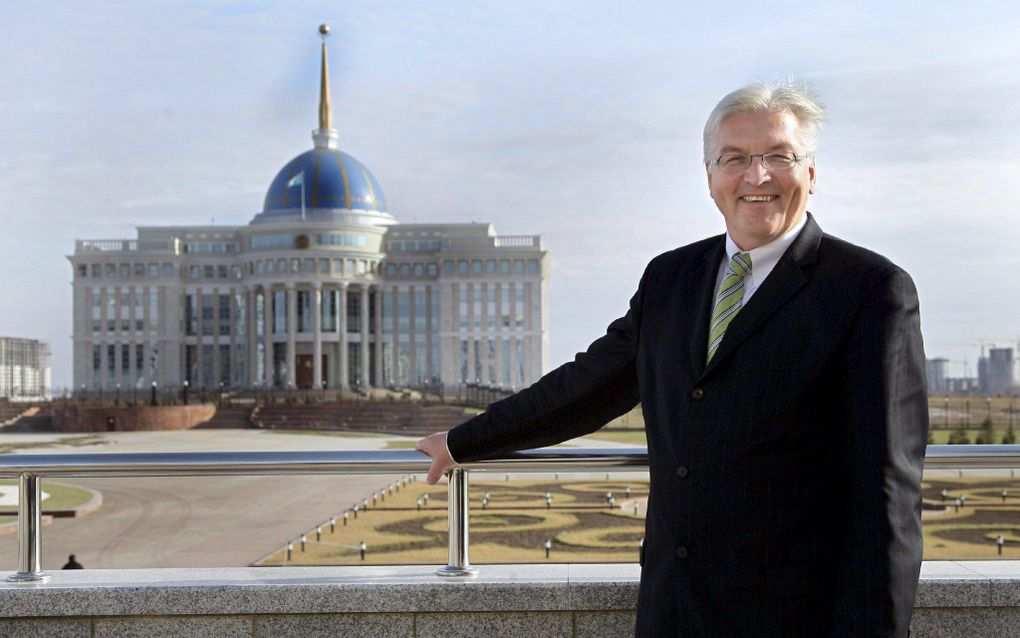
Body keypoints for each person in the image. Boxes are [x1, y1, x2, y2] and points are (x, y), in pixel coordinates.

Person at [417, 80, 928, 637]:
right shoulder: (671, 277)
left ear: (811, 172)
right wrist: (464, 441)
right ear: (710, 177)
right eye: (734, 159)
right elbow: (588, 386)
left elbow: (887, 501)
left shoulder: (870, 289)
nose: (756, 177)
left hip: (794, 617)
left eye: (779, 156)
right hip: (673, 609)